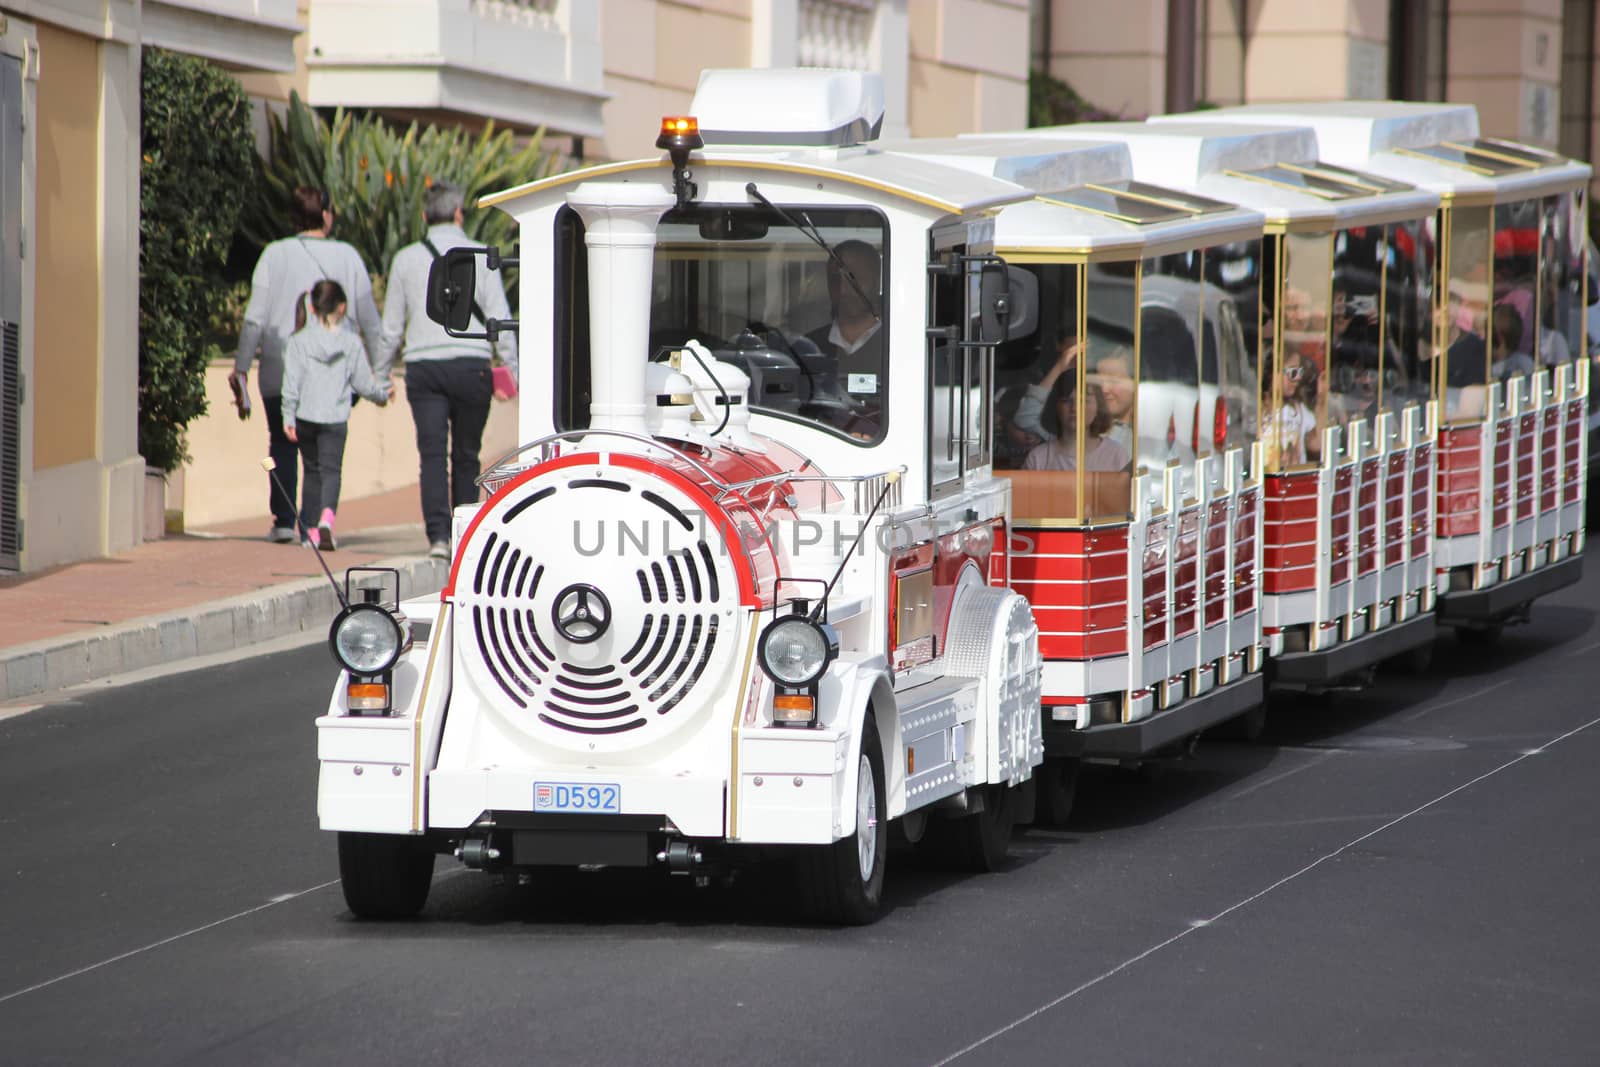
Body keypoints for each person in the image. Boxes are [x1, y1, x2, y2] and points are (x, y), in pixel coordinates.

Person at [379, 182, 518, 559]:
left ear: (425, 216)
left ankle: (439, 538)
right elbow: (499, 318)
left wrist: (379, 378)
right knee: (468, 454)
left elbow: (391, 327)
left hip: (424, 369)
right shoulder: (480, 255)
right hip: (472, 366)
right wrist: (513, 370)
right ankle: (464, 535)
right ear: (459, 213)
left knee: (432, 455)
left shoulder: (406, 259)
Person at [236, 186, 382, 543]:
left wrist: (241, 367)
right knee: (323, 458)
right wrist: (379, 368)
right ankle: (313, 525)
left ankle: (285, 520)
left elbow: (255, 317)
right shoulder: (348, 256)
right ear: (327, 214)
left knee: (282, 443)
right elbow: (370, 320)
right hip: (332, 378)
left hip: (280, 365)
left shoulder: (274, 254)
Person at [281, 281, 393, 550]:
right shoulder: (351, 343)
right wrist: (382, 395)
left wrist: (288, 415)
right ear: (341, 308)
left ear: (312, 306)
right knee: (332, 471)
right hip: (335, 419)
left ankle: (309, 533)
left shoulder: (298, 341)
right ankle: (326, 520)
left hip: (306, 416)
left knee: (311, 471)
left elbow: (291, 382)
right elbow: (364, 384)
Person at [803, 240, 884, 434]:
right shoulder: (808, 347)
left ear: (877, 279)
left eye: (853, 278)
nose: (844, 290)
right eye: (834, 279)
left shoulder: (899, 344)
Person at [1023, 375, 1131, 472]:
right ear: (1055, 407)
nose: (1074, 408)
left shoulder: (1117, 455)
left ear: (1098, 407)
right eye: (1066, 400)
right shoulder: (1037, 458)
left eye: (1083, 401)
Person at [1264, 350, 1321, 467]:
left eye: (1300, 372)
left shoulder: (1298, 410)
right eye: (1293, 372)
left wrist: (1321, 400)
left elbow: (1317, 446)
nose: (1297, 378)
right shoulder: (1258, 411)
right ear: (1274, 373)